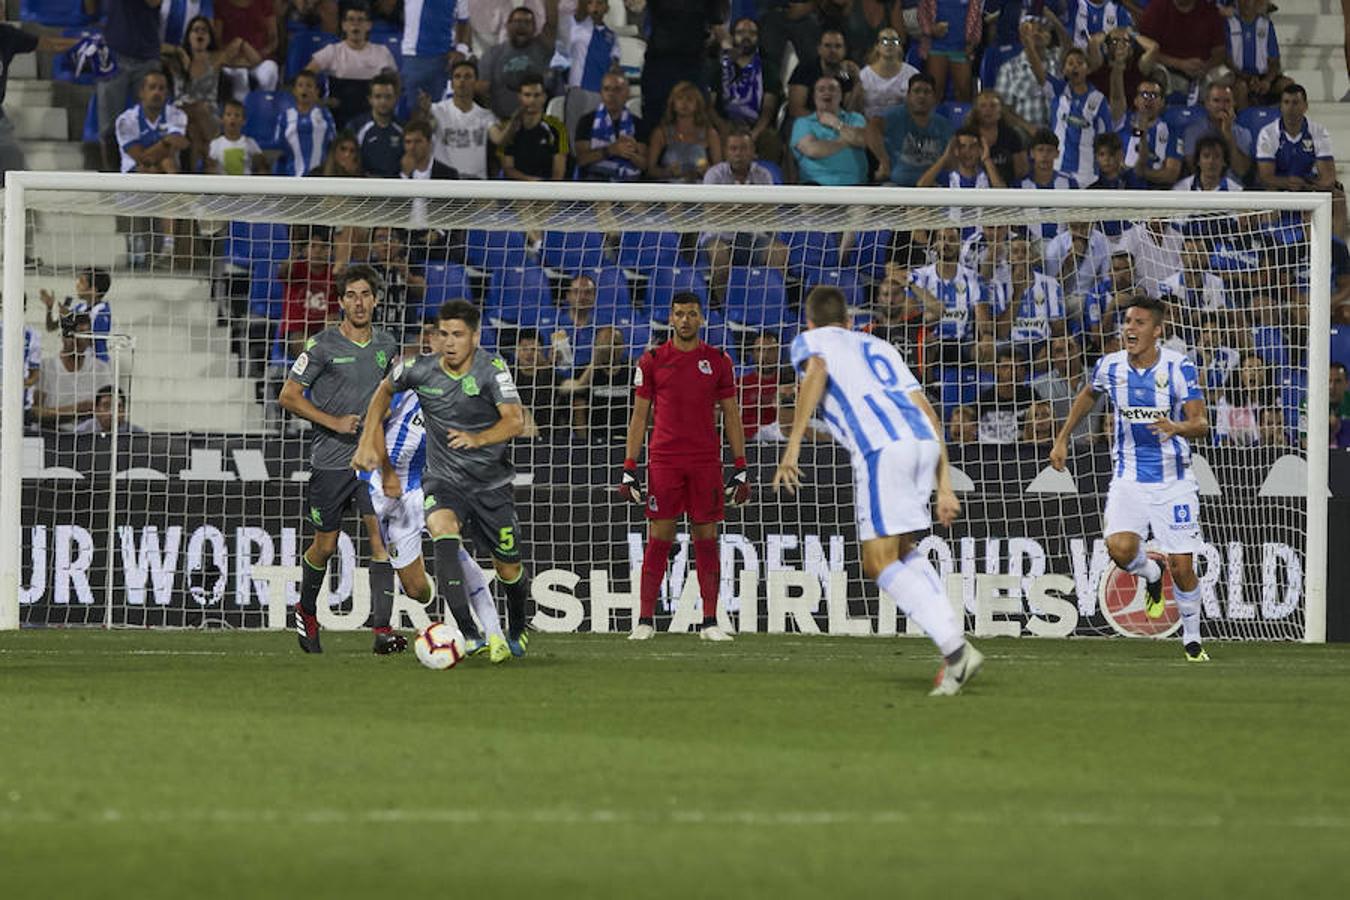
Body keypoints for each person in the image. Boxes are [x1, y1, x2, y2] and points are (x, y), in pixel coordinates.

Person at [772, 285, 980, 696]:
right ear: (850, 322)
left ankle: (956, 651)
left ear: (810, 322)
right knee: (902, 550)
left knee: (878, 563)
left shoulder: (810, 341)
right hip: (922, 441)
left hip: (882, 450)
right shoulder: (881, 347)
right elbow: (929, 412)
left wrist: (792, 445)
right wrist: (944, 483)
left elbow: (816, 369)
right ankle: (954, 642)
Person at [354, 299, 533, 657]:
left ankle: (503, 630)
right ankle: (468, 633)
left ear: (475, 337)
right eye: (443, 334)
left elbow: (515, 420)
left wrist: (479, 439)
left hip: (467, 483)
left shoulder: (489, 372)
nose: (448, 342)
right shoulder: (417, 373)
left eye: (457, 335)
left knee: (498, 563)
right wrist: (372, 452)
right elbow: (380, 398)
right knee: (430, 565)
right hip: (415, 485)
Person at [1049, 293, 1212, 662]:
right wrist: (1062, 439)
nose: (1129, 329)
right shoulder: (1111, 366)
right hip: (1128, 478)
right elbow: (1088, 395)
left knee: (1183, 567)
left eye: (1139, 323)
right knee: (1120, 548)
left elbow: (1201, 424)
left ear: (1157, 330)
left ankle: (1191, 638)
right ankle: (1151, 575)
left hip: (1174, 480)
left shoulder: (1178, 367)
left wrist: (1178, 426)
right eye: (1127, 322)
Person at [280, 264, 400, 655]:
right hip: (330, 462)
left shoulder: (387, 345)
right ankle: (307, 608)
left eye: (365, 294)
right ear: (341, 301)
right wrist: (334, 421)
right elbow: (289, 395)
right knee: (325, 546)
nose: (359, 302)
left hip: (371, 462)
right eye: (351, 295)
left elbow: (391, 397)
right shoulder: (321, 346)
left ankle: (382, 631)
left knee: (381, 541)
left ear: (376, 299)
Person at [619, 292, 748, 642]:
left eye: (692, 314)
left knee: (706, 537)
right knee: (659, 537)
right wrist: (629, 466)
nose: (686, 320)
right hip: (665, 461)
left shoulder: (718, 361)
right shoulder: (652, 360)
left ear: (701, 319)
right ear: (670, 318)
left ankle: (709, 621)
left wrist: (740, 465)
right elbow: (639, 417)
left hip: (705, 461)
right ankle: (645, 619)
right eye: (679, 314)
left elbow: (732, 415)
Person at [700, 127, 790, 299]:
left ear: (753, 151)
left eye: (743, 148)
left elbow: (769, 211)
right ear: (726, 152)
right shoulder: (714, 175)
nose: (738, 153)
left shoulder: (764, 175)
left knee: (779, 252)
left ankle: (770, 304)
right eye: (733, 148)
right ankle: (724, 306)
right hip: (721, 238)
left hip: (755, 238)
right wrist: (751, 209)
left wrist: (731, 209)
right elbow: (712, 211)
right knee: (719, 254)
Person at [96, 0, 168, 170]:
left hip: (147, 56)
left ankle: (153, 173)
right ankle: (111, 177)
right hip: (114, 52)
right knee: (109, 125)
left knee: (154, 120)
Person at [1029, 40, 1112, 185]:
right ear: (1064, 70)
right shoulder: (1057, 91)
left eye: (1080, 63)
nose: (1075, 67)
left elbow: (1106, 138)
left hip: (1087, 175)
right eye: (1070, 63)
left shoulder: (1098, 100)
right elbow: (1038, 72)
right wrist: (1028, 44)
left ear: (1088, 69)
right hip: (1058, 171)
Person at [305, 0, 398, 127]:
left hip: (373, 119)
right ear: (344, 25)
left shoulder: (382, 52)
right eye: (351, 20)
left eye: (360, 20)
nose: (355, 25)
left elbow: (395, 84)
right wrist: (320, 101)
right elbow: (305, 76)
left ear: (369, 25)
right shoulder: (332, 51)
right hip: (338, 118)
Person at [908, 227, 985, 366]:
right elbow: (910, 315)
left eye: (951, 239)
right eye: (941, 239)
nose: (945, 244)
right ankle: (929, 386)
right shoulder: (919, 276)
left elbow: (982, 316)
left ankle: (983, 386)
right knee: (924, 345)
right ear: (935, 244)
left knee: (986, 348)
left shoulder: (972, 277)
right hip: (930, 340)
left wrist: (986, 337)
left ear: (960, 244)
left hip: (963, 343)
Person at [423, 59, 511, 179]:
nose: (462, 81)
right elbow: (426, 130)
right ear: (452, 83)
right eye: (457, 76)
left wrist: (515, 121)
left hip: (476, 184)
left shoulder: (485, 115)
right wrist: (424, 112)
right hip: (445, 183)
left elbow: (499, 139)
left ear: (476, 82)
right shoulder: (437, 111)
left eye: (467, 76)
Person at [714, 17, 784, 163]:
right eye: (741, 32)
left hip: (756, 124)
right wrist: (722, 126)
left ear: (758, 38)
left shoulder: (768, 68)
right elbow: (709, 104)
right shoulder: (718, 67)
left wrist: (755, 133)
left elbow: (768, 108)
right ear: (732, 36)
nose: (746, 36)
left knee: (770, 139)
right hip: (725, 123)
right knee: (714, 135)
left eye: (752, 33)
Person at [33, 313, 113, 431]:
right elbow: (35, 411)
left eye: (84, 335)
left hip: (89, 436)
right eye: (73, 334)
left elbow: (107, 410)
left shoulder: (101, 369)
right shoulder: (46, 367)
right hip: (52, 433)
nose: (79, 340)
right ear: (63, 336)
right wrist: (76, 410)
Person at [1136, 0, 1225, 104]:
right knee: (1157, 75)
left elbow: (1220, 51)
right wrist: (1180, 64)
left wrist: (1205, 67)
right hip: (1169, 70)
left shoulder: (1209, 10)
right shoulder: (1157, 8)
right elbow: (1144, 49)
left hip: (1203, 71)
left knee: (1227, 77)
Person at [792, 76, 876, 186]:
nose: (827, 92)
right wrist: (845, 141)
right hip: (816, 188)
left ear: (841, 96)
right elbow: (813, 150)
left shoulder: (855, 118)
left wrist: (836, 123)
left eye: (832, 89)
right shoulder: (803, 123)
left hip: (855, 187)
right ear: (814, 97)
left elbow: (863, 139)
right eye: (821, 90)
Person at [1255, 84, 1337, 193]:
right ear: (1280, 106)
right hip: (1279, 187)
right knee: (1270, 190)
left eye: (1295, 103)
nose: (1290, 108)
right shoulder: (1267, 133)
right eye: (1286, 102)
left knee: (1337, 196)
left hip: (1308, 186)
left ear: (1305, 106)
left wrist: (1305, 186)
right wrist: (1287, 182)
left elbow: (1328, 178)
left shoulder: (1319, 132)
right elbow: (1266, 177)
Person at [478, 5, 556, 120]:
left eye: (527, 22)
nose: (522, 26)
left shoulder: (543, 48)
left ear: (535, 28)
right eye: (517, 21)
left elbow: (551, 26)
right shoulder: (492, 54)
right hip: (502, 120)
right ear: (508, 26)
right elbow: (481, 89)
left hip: (536, 121)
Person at [877, 73, 952, 187]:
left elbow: (951, 160)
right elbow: (871, 128)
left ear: (935, 98)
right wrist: (883, 159)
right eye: (916, 91)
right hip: (896, 186)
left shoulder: (944, 125)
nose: (921, 96)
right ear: (908, 96)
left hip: (931, 187)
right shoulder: (895, 116)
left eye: (927, 92)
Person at [1111, 76, 1182, 188]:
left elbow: (1171, 174)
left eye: (1154, 95)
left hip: (1154, 195)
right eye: (1144, 94)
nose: (1148, 99)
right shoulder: (1122, 122)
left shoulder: (1171, 131)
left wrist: (1143, 173)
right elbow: (1116, 97)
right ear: (1136, 100)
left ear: (1162, 102)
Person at [574, 71, 646, 181]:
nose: (611, 94)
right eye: (606, 89)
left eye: (617, 90)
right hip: (595, 183)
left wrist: (630, 153)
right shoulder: (587, 121)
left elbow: (645, 165)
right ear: (601, 93)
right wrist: (611, 150)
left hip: (629, 187)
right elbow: (581, 159)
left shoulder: (638, 124)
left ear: (627, 93)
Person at [115, 70, 189, 175]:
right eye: (152, 87)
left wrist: (160, 149)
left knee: (167, 162)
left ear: (166, 94)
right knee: (149, 168)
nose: (157, 92)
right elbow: (142, 159)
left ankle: (176, 191)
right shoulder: (126, 120)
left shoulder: (177, 115)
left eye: (161, 88)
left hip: (165, 167)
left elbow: (175, 146)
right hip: (134, 172)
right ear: (141, 92)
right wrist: (165, 142)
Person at [563, 325, 630, 442]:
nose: (611, 348)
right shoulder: (583, 372)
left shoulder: (631, 372)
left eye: (616, 344)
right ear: (596, 346)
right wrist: (584, 443)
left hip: (625, 437)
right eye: (606, 344)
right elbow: (577, 395)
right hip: (594, 439)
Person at [278, 227, 336, 359]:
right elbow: (283, 273)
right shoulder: (296, 268)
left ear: (331, 251)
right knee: (302, 342)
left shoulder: (333, 273)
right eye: (313, 246)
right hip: (295, 332)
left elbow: (334, 313)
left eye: (324, 247)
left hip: (322, 331)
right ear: (304, 250)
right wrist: (294, 250)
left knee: (332, 326)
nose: (318, 251)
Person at [648, 81, 722, 183]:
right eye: (679, 99)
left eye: (689, 99)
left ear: (697, 105)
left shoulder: (710, 134)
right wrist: (667, 172)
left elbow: (720, 171)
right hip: (670, 191)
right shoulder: (661, 133)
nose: (684, 103)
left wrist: (707, 171)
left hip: (701, 190)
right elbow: (650, 170)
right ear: (673, 104)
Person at [566, 0, 621, 137]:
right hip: (578, 87)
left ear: (606, 8)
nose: (595, 7)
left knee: (595, 133)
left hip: (601, 92)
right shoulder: (575, 28)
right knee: (573, 132)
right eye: (591, 3)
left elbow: (615, 62)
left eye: (599, 3)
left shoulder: (612, 36)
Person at [499, 73, 569, 181]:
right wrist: (532, 182)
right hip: (516, 191)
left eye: (537, 95)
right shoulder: (508, 128)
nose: (532, 100)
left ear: (544, 97)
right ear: (520, 97)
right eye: (527, 95)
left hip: (547, 191)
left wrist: (546, 191)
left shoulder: (557, 128)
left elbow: (559, 171)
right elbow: (508, 169)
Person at [401, 0, 469, 110]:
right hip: (415, 57)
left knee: (440, 114)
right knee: (414, 113)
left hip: (445, 60)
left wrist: (461, 50)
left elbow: (464, 20)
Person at [1179, 83, 1253, 182]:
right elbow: (1194, 168)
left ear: (1233, 103)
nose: (1222, 106)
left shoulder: (1244, 133)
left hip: (1233, 189)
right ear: (1207, 104)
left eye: (1227, 101)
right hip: (1203, 187)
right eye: (1216, 101)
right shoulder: (1192, 132)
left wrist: (1228, 135)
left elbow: (1241, 170)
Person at [1224, 0, 1290, 110]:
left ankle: (1284, 124)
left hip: (1262, 76)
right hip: (1238, 75)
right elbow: (1227, 59)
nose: (1246, 3)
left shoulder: (1266, 25)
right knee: (1241, 87)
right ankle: (1244, 124)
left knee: (1288, 86)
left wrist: (1267, 81)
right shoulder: (1229, 24)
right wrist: (1248, 78)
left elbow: (1274, 61)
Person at [787, 29, 862, 121]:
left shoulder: (845, 74)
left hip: (836, 126)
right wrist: (827, 121)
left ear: (844, 51)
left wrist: (857, 82)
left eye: (838, 46)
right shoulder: (805, 69)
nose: (833, 50)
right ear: (819, 49)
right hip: (806, 122)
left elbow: (850, 112)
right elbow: (795, 110)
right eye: (827, 46)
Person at [214, 0, 281, 102]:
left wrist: (259, 55)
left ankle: (265, 105)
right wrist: (232, 54)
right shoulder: (221, 4)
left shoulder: (265, 3)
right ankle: (240, 110)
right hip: (232, 60)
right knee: (240, 75)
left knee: (270, 71)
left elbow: (273, 39)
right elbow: (217, 40)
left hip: (259, 58)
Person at [39, 268, 112, 362]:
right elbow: (51, 327)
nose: (77, 285)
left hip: (97, 362)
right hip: (78, 362)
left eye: (81, 282)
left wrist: (69, 317)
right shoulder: (80, 307)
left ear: (93, 290)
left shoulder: (102, 311)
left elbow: (91, 340)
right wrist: (49, 308)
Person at [917, 0, 982, 103]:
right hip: (936, 47)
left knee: (964, 92)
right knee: (934, 91)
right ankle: (933, 118)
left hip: (961, 48)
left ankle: (963, 118)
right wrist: (931, 30)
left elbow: (977, 18)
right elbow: (921, 14)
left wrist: (973, 42)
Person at [275, 71, 337, 177]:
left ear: (316, 91)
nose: (305, 89)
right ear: (294, 90)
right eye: (300, 85)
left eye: (309, 85)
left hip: (320, 176)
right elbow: (280, 145)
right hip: (293, 175)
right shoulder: (285, 116)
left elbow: (333, 143)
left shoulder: (324, 114)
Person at [916, 124, 1007, 189]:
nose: (967, 152)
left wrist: (986, 159)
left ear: (980, 149)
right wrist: (945, 157)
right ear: (956, 150)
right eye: (963, 146)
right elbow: (921, 186)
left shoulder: (988, 176)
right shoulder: (946, 176)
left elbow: (1003, 197)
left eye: (972, 147)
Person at [976, 348, 1038, 443]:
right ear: (997, 370)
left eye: (1016, 367)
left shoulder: (1031, 395)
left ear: (1023, 370)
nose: (1012, 371)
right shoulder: (985, 399)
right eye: (1006, 367)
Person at [857, 27, 918, 121]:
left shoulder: (912, 74)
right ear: (877, 46)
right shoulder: (864, 76)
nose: (889, 44)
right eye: (884, 41)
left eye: (894, 41)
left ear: (899, 47)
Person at [351, 72, 404, 178]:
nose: (383, 102)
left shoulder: (403, 128)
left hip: (396, 186)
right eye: (378, 97)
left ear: (396, 99)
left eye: (388, 97)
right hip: (365, 185)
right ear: (370, 99)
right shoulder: (356, 126)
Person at [969, 89, 1026, 187]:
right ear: (976, 111)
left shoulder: (1012, 135)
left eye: (993, 106)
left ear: (1001, 111)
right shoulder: (967, 135)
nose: (988, 110)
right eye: (983, 106)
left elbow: (1021, 171)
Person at [738, 332, 784, 441]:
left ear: (778, 352)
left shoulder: (790, 384)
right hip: (746, 443)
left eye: (771, 350)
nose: (765, 355)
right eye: (760, 350)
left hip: (780, 441)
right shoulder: (739, 384)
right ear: (753, 354)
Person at [206, 98, 265, 174]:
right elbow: (210, 169)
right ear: (222, 119)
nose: (232, 118)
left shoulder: (250, 143)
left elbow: (262, 167)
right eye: (228, 115)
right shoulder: (215, 144)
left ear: (244, 121)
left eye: (237, 115)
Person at [73, 385, 144, 435]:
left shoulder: (137, 434)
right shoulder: (82, 432)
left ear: (124, 411)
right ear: (96, 410)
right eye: (106, 406)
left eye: (117, 406)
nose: (112, 412)